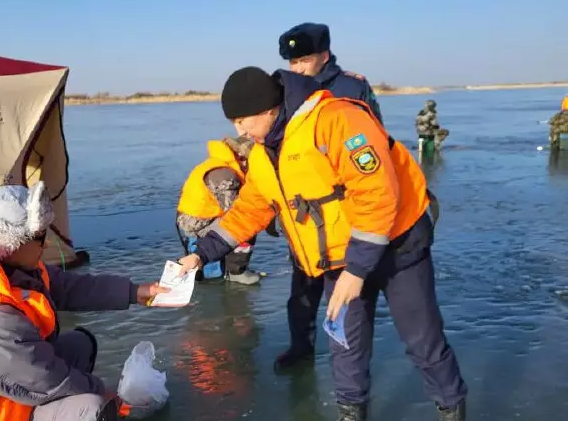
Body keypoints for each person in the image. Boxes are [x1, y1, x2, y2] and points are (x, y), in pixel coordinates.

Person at [177, 66, 467, 420]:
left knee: (423, 342)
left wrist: (358, 270)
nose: (238, 130)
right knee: (345, 345)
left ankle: (451, 407)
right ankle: (351, 413)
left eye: (243, 120)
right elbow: (248, 211)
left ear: (269, 109)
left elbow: (377, 193)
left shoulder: (338, 120)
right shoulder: (262, 154)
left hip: (397, 246)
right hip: (339, 257)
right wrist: (201, 254)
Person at [0, 181, 168, 421]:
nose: (47, 244)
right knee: (94, 409)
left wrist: (136, 292)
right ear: (11, 243)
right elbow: (45, 378)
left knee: (80, 346)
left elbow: (65, 286)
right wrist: (111, 397)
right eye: (40, 238)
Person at [273, 21, 385, 370]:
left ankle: (351, 367)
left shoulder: (351, 88)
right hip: (303, 213)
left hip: (342, 211)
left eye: (303, 60)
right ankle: (300, 347)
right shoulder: (287, 91)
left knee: (348, 295)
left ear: (324, 55)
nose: (297, 68)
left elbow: (373, 145)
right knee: (302, 291)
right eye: (292, 62)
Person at [176, 136, 262, 285]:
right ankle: (237, 271)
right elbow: (234, 211)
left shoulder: (218, 164)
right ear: (242, 157)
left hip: (193, 217)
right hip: (198, 223)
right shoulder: (225, 175)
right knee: (246, 223)